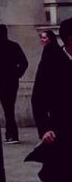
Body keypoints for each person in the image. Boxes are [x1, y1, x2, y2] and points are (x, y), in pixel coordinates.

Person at [31, 17, 72, 181]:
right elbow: (38, 98)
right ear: (70, 39)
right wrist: (44, 129)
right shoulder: (52, 61)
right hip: (61, 130)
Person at [0, 24, 28, 143]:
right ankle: (12, 133)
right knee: (10, 107)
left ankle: (11, 134)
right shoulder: (13, 46)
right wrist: (17, 74)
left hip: (1, 81)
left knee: (7, 107)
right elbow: (24, 62)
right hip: (12, 80)